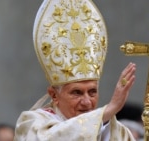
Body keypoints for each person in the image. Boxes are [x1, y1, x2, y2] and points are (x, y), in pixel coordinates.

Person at [14, 0, 136, 140]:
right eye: (77, 92)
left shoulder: (112, 129)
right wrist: (109, 110)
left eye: (92, 92)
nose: (87, 102)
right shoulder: (32, 123)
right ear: (53, 95)